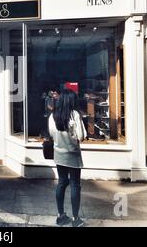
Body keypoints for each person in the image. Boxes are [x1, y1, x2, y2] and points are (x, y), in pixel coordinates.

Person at [48, 89, 86, 227]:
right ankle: (76, 219)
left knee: (62, 183)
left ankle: (60, 215)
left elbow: (52, 134)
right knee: (75, 184)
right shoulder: (74, 114)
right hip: (73, 154)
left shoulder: (53, 115)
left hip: (58, 153)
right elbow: (81, 136)